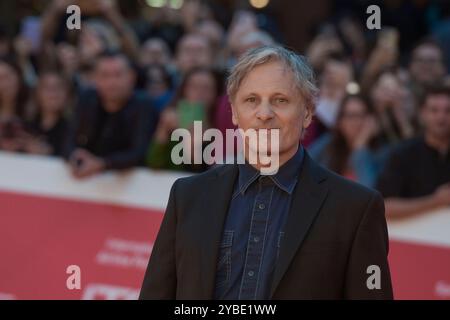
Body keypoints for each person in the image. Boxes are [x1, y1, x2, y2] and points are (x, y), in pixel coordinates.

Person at [140, 46, 393, 300]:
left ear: (306, 112)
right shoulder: (188, 197)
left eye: (280, 100)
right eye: (251, 100)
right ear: (235, 113)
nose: (264, 114)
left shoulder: (355, 208)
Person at [64, 51, 158, 178]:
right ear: (95, 78)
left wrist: (102, 164)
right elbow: (68, 138)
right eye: (105, 75)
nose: (112, 82)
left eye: (118, 75)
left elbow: (139, 152)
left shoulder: (145, 105)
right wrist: (74, 154)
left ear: (132, 76)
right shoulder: (87, 98)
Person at [376, 85, 450, 218]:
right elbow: (384, 206)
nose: (441, 117)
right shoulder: (403, 154)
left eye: (447, 111)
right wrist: (436, 201)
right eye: (434, 110)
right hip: (415, 237)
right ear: (422, 113)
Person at [308, 94, 388, 188]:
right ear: (341, 122)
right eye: (350, 116)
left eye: (361, 115)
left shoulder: (382, 153)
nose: (356, 122)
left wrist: (360, 148)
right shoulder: (329, 144)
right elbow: (303, 161)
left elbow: (369, 193)